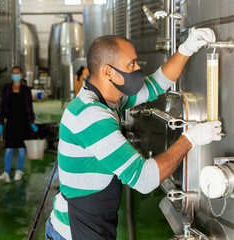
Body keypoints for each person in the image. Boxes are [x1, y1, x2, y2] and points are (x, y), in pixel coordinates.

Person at [45, 29, 222, 240]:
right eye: (132, 64)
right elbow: (144, 179)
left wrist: (187, 48)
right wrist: (191, 138)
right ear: (108, 72)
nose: (138, 69)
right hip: (72, 232)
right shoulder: (91, 116)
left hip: (93, 225)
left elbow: (157, 84)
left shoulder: (111, 99)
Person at [0, 66, 38, 183]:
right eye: (13, 73)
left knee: (21, 149)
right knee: (9, 148)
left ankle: (19, 171)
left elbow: (29, 107)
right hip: (10, 122)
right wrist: (0, 122)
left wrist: (32, 122)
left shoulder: (26, 90)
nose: (15, 75)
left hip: (23, 122)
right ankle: (6, 173)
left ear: (21, 74)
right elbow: (3, 107)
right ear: (11, 75)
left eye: (17, 73)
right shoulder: (7, 89)